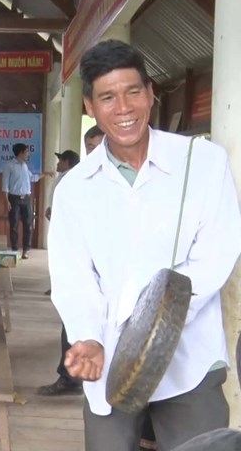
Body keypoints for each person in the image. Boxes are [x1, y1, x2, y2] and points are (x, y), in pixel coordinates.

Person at [49, 39, 241, 450]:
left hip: (190, 362)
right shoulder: (74, 190)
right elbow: (73, 278)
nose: (123, 108)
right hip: (109, 366)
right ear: (89, 107)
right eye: (107, 97)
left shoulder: (202, 162)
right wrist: (87, 336)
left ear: (151, 94)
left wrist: (157, 327)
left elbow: (217, 253)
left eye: (133, 91)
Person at [38, 149, 82, 396]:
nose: (57, 163)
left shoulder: (85, 180)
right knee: (71, 323)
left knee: (76, 325)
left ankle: (71, 379)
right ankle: (70, 376)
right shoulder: (68, 178)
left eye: (61, 159)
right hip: (74, 261)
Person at [2, 143, 50, 259]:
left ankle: (26, 250)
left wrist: (45, 174)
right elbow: (5, 186)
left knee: (28, 224)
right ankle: (14, 249)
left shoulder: (25, 166)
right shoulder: (9, 166)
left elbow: (32, 178)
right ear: (21, 153)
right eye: (26, 152)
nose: (28, 154)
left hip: (26, 199)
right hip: (14, 199)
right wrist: (6, 201)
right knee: (14, 225)